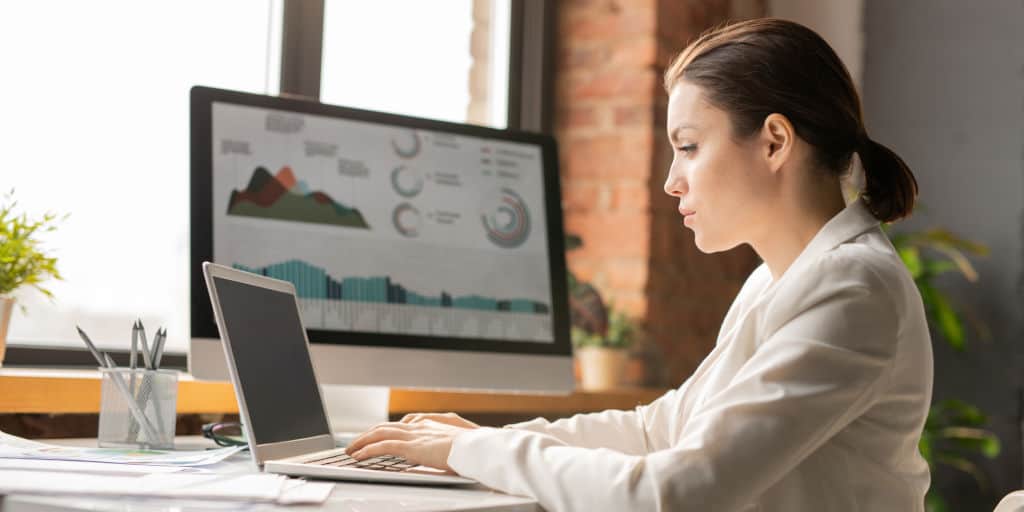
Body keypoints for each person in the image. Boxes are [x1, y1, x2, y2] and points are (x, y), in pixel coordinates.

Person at [345, 18, 933, 511]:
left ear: (775, 141)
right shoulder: (780, 279)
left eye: (689, 146)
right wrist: (485, 438)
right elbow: (663, 429)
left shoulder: (852, 285)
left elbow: (674, 494)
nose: (671, 182)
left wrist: (471, 454)